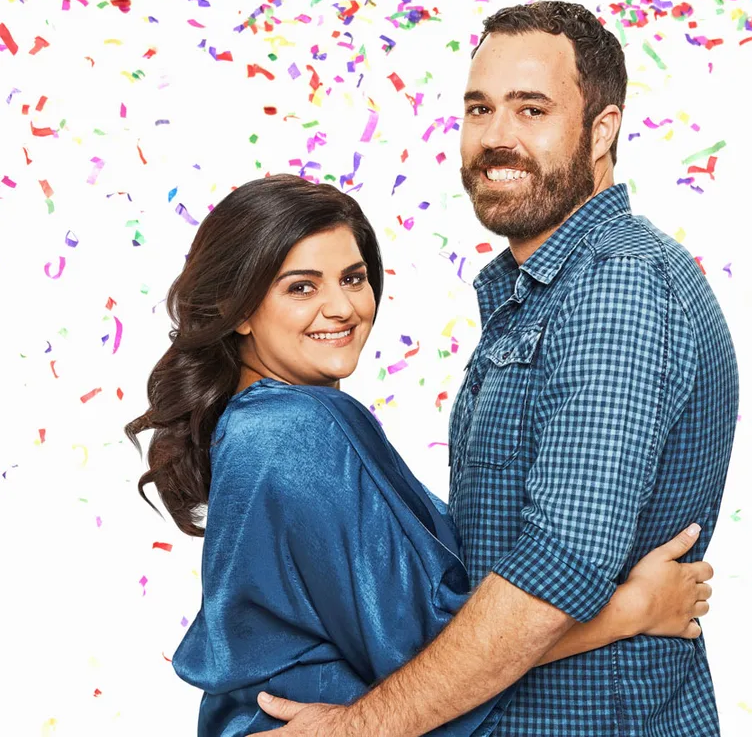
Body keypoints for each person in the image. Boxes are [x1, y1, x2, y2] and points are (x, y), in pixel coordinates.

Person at [254, 0, 738, 737]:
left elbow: (557, 569)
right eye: (480, 109)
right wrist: (632, 608)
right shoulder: (541, 292)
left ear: (602, 130)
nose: (496, 136)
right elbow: (467, 580)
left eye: (531, 109)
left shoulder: (619, 286)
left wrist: (358, 730)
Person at [126, 174, 714, 737]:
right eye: (301, 287)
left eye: (353, 278)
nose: (341, 308)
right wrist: (635, 608)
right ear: (239, 310)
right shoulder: (293, 431)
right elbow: (428, 650)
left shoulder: (262, 421)